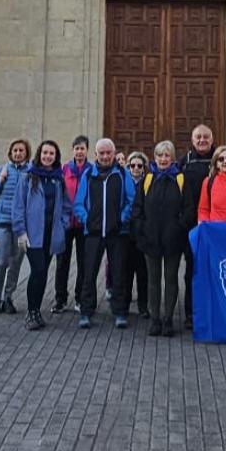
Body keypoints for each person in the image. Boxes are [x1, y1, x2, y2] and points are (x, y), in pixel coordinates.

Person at [74, 137, 136, 329]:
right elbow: (79, 203)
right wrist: (87, 219)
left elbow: (131, 200)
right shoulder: (87, 175)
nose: (105, 156)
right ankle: (86, 311)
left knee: (118, 273)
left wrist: (122, 219)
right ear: (96, 155)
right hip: (92, 233)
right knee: (88, 273)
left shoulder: (123, 175)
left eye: (109, 152)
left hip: (117, 232)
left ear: (114, 153)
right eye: (101, 153)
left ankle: (119, 312)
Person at [13, 140, 72, 332]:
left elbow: (66, 206)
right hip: (32, 235)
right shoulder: (28, 177)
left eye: (52, 154)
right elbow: (18, 206)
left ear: (56, 157)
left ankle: (37, 311)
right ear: (40, 154)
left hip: (50, 234)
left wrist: (63, 225)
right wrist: (20, 231)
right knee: (37, 270)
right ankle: (31, 312)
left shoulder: (58, 179)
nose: (48, 156)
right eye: (45, 153)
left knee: (43, 272)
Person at [132, 140, 186, 337]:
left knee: (171, 278)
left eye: (167, 155)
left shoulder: (180, 179)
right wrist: (141, 229)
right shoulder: (148, 179)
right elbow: (137, 207)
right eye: (160, 155)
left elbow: (187, 209)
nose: (163, 159)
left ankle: (169, 319)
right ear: (154, 158)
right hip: (151, 238)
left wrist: (179, 228)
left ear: (172, 158)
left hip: (173, 239)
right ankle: (155, 319)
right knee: (153, 280)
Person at [0, 138, 31, 313]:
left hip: (20, 225)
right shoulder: (2, 169)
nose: (18, 153)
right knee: (0, 262)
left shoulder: (31, 172)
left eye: (21, 150)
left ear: (26, 153)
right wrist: (0, 180)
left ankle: (8, 297)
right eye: (15, 150)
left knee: (15, 263)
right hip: (1, 222)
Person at [180, 124, 215, 330]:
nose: (202, 140)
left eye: (205, 137)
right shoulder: (185, 162)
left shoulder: (220, 159)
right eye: (198, 137)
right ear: (192, 141)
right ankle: (190, 313)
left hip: (214, 226)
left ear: (212, 139)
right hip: (191, 225)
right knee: (191, 270)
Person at [53, 136, 89, 312]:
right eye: (77, 148)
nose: (79, 152)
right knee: (62, 262)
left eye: (82, 148)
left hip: (83, 224)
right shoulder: (64, 169)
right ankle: (60, 299)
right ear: (72, 150)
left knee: (83, 262)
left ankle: (80, 298)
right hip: (66, 223)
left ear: (87, 150)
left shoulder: (91, 170)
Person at [122, 151, 151, 317]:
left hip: (142, 233)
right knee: (126, 271)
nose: (136, 168)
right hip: (126, 232)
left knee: (143, 272)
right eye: (132, 165)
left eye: (140, 165)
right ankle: (124, 304)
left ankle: (143, 305)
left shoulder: (148, 182)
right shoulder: (123, 181)